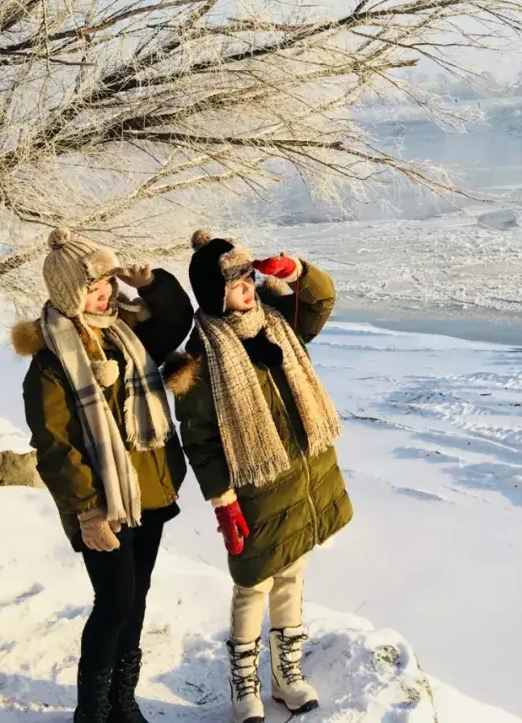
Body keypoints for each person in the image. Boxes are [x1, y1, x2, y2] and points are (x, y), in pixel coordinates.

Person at [167, 232, 352, 722]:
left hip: (301, 478)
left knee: (292, 577)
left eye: (249, 277)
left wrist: (294, 270)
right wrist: (222, 501)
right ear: (212, 294)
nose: (247, 287)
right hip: (254, 491)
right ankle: (243, 685)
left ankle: (287, 676)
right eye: (235, 283)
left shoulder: (278, 323)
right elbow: (200, 439)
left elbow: (321, 299)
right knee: (253, 586)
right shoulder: (200, 358)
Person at [12, 229, 192, 723]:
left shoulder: (125, 332)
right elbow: (55, 447)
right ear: (70, 294)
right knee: (113, 603)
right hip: (103, 504)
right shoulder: (51, 360)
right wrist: (88, 511)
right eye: (94, 287)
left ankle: (122, 701)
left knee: (136, 600)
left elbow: (177, 320)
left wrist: (152, 284)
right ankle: (91, 711)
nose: (107, 294)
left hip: (149, 491)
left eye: (108, 283)